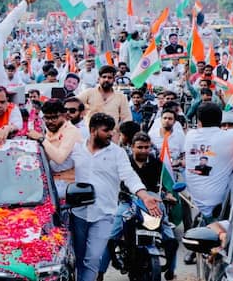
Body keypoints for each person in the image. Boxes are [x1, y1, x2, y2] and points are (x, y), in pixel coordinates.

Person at [34, 112, 161, 281]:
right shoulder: (77, 149)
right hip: (78, 213)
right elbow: (57, 165)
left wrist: (144, 196)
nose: (111, 134)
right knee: (77, 258)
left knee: (92, 258)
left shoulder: (117, 153)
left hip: (104, 213)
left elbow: (129, 176)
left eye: (112, 130)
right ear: (93, 130)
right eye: (106, 130)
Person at [98, 132, 179, 281]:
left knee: (170, 236)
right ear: (132, 147)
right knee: (111, 235)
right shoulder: (124, 162)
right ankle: (100, 272)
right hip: (128, 202)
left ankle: (171, 270)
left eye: (146, 147)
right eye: (139, 147)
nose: (143, 150)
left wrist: (168, 195)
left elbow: (164, 185)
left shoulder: (157, 163)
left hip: (153, 204)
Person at [184, 103, 233, 222]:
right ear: (220, 120)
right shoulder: (227, 137)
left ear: (199, 120)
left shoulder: (190, 136)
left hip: (195, 202)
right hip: (219, 206)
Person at [78, 65, 132, 136]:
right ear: (99, 79)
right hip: (90, 134)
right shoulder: (89, 93)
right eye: (104, 77)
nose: (106, 79)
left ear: (114, 79)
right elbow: (74, 104)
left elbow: (127, 118)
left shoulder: (121, 96)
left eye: (110, 77)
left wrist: (118, 133)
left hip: (111, 136)